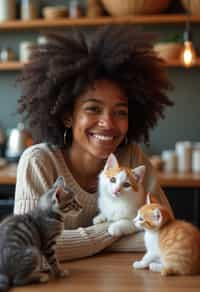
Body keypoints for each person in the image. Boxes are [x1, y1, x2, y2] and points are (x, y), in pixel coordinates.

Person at [14, 25, 174, 262]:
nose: (108, 123)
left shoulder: (132, 159)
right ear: (68, 115)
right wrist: (113, 230)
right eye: (93, 109)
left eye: (120, 112)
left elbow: (166, 233)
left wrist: (69, 243)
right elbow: (28, 246)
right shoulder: (39, 162)